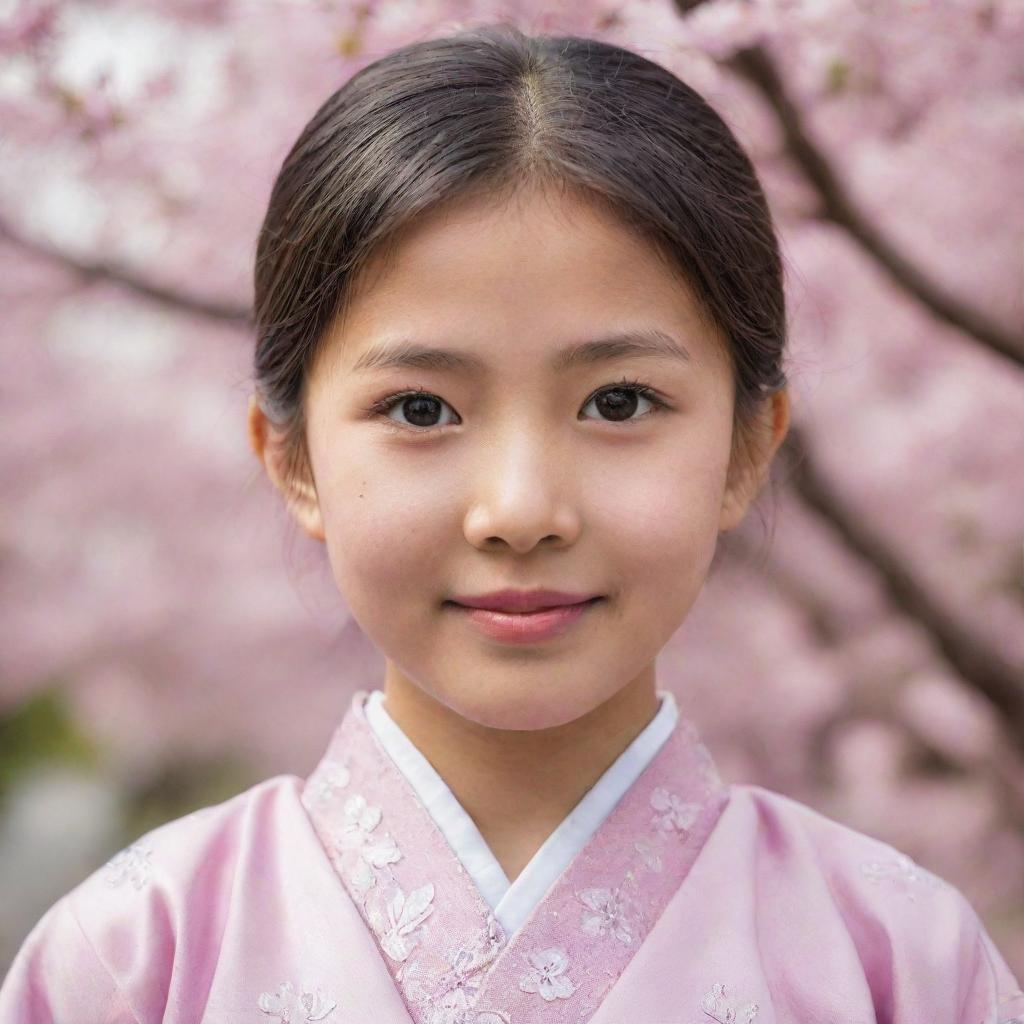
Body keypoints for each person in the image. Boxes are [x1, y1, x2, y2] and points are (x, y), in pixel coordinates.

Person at [1, 21, 1020, 1024]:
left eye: (618, 402)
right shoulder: (137, 960)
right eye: (419, 409)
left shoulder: (898, 960)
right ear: (293, 457)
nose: (522, 511)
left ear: (749, 447)